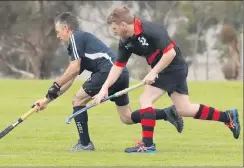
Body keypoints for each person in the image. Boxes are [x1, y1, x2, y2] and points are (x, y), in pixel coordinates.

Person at [93, 6, 241, 154]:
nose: (114, 32)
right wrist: (104, 88)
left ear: (123, 25)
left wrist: (153, 72)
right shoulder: (125, 42)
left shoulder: (151, 30)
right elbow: (118, 66)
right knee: (184, 108)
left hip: (172, 66)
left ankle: (147, 144)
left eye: (115, 29)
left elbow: (169, 53)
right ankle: (227, 117)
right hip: (169, 69)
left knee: (145, 100)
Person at [33, 12, 184, 152]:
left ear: (66, 28)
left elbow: (73, 69)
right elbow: (71, 78)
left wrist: (55, 85)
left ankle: (85, 144)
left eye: (58, 31)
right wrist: (47, 99)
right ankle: (167, 113)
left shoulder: (75, 37)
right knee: (127, 117)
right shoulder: (76, 46)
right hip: (120, 73)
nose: (58, 36)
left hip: (107, 72)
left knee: (77, 100)